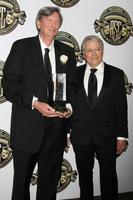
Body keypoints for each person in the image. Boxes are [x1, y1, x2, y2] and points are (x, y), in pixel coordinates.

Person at [2, 6, 76, 200]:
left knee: (49, 186)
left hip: (56, 131)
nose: (54, 25)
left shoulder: (66, 51)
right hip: (27, 130)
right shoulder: (22, 47)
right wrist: (35, 103)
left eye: (57, 22)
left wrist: (67, 113)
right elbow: (9, 86)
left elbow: (69, 89)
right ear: (38, 23)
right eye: (49, 20)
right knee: (21, 187)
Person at [69, 35, 128, 200]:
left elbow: (121, 108)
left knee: (109, 179)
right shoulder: (74, 74)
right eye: (89, 50)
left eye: (97, 49)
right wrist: (66, 132)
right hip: (81, 136)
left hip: (107, 136)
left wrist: (122, 136)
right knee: (85, 180)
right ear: (83, 53)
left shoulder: (116, 74)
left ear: (103, 50)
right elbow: (69, 104)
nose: (94, 54)